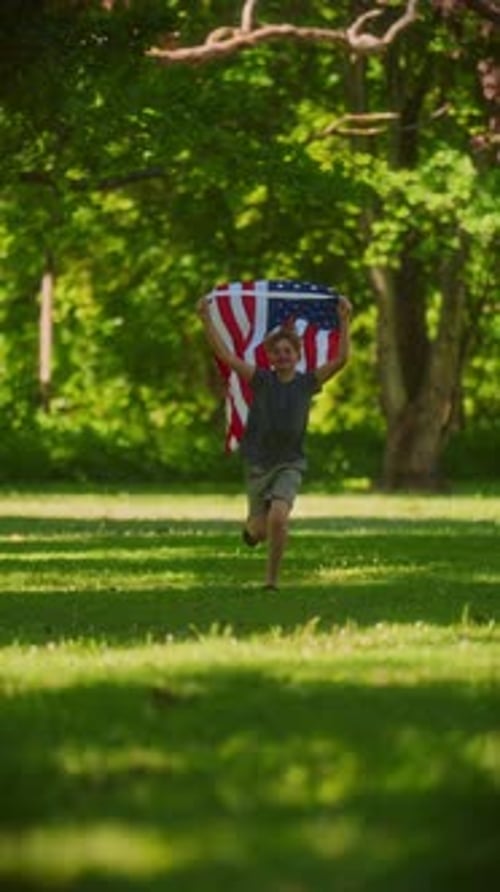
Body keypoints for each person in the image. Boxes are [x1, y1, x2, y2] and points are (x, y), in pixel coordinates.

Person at [198, 294, 352, 590]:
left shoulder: (307, 383)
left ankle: (271, 580)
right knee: (260, 530)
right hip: (258, 463)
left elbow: (341, 359)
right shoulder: (261, 379)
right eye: (277, 352)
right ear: (269, 357)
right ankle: (251, 529)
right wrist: (206, 318)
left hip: (290, 463)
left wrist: (344, 319)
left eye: (288, 351)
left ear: (298, 355)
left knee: (279, 518)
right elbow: (227, 357)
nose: (282, 356)